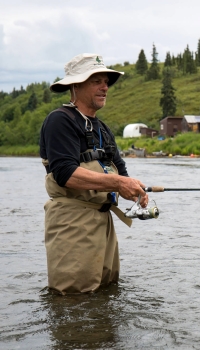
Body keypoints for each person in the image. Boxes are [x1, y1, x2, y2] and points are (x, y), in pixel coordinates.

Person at [39, 53, 149, 295]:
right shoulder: (60, 121)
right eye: (96, 81)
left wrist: (134, 189)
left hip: (103, 220)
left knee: (106, 292)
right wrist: (119, 182)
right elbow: (65, 174)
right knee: (74, 298)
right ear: (75, 86)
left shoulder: (103, 128)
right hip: (72, 222)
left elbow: (120, 168)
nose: (104, 87)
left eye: (106, 82)